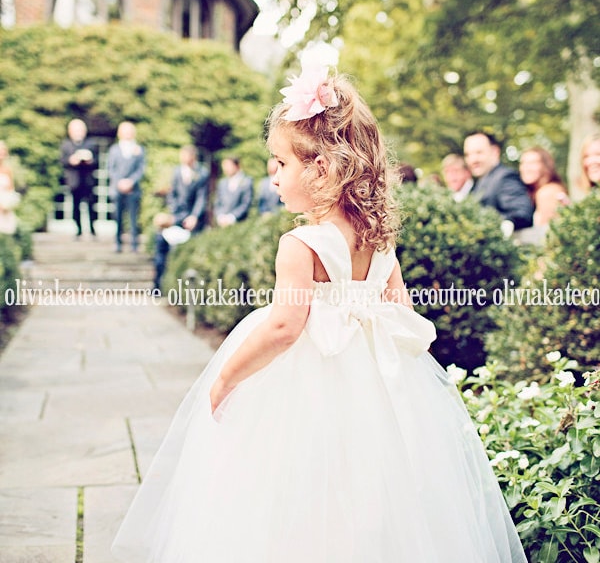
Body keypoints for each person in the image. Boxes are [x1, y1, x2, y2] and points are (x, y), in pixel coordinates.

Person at [112, 67, 526, 562]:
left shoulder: (300, 244)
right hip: (373, 383)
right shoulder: (379, 240)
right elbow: (402, 315)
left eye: (281, 163)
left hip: (306, 385)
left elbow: (286, 327)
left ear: (322, 169)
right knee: (367, 491)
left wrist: (226, 379)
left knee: (298, 489)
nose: (274, 175)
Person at [153, 145, 209, 292]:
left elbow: (201, 199)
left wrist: (194, 216)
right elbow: (173, 195)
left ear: (193, 157)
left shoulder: (202, 173)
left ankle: (180, 289)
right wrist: (173, 213)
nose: (183, 159)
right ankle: (157, 285)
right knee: (160, 245)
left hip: (193, 221)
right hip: (176, 217)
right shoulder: (177, 172)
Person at [463, 131, 534, 235]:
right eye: (468, 154)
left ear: (495, 152)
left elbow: (521, 213)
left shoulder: (505, 177)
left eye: (479, 152)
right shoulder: (478, 183)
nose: (473, 159)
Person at [107, 121, 145, 252]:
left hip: (133, 189)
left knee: (133, 217)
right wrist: (120, 182)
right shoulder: (114, 149)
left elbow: (140, 169)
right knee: (118, 217)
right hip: (118, 189)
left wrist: (131, 182)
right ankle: (118, 243)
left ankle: (134, 244)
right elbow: (111, 169)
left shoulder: (139, 149)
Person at [59, 118, 97, 238]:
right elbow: (62, 161)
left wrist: (89, 161)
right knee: (76, 206)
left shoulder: (91, 143)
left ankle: (92, 229)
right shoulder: (66, 145)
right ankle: (78, 229)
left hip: (87, 180)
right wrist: (71, 160)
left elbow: (97, 161)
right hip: (74, 181)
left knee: (91, 205)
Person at [519, 146, 569, 226]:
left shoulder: (547, 192)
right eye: (523, 163)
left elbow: (547, 233)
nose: (526, 168)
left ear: (546, 166)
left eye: (532, 163)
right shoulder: (547, 190)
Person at [213, 155, 253, 227]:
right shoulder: (222, 183)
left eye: (228, 165)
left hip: (239, 223)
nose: (225, 168)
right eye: (224, 165)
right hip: (221, 223)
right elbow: (217, 202)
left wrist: (232, 217)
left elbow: (246, 203)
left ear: (236, 166)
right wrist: (220, 216)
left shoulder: (246, 181)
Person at [0, 140, 20, 235]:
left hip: (5, 208)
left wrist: (8, 204)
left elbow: (11, 190)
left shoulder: (7, 170)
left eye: (3, 151)